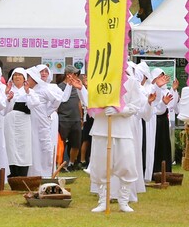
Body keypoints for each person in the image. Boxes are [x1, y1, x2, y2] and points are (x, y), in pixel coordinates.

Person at [88, 60, 144, 213]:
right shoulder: (98, 80)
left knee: (126, 163)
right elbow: (89, 102)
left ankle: (124, 200)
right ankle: (102, 200)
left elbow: (135, 105)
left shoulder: (132, 82)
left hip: (122, 130)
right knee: (101, 165)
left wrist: (120, 110)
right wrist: (100, 107)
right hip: (101, 128)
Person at [2, 69, 33, 177]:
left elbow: (35, 103)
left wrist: (28, 92)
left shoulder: (29, 91)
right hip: (9, 123)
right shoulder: (7, 90)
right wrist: (7, 96)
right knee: (11, 146)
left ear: (24, 78)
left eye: (20, 75)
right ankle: (12, 173)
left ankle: (23, 174)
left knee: (23, 147)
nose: (17, 77)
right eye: (15, 75)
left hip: (23, 123)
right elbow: (2, 108)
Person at [57, 66, 86, 171]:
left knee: (76, 143)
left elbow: (79, 102)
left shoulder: (77, 87)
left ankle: (72, 163)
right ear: (68, 74)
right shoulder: (59, 87)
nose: (76, 76)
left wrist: (81, 117)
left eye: (76, 74)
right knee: (62, 143)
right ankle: (60, 164)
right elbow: (57, 103)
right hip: (63, 118)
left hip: (76, 119)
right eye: (74, 74)